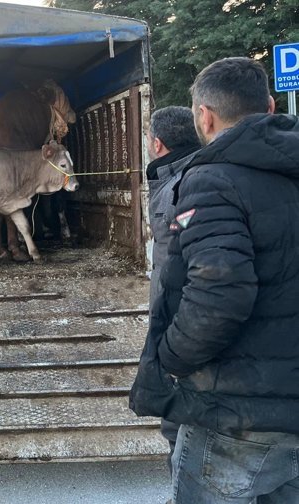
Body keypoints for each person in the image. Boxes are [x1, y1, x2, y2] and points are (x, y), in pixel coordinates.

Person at [130, 57, 299, 503]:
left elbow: (219, 292)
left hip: (236, 412)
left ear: (203, 116)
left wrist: (170, 359)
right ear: (269, 104)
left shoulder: (211, 180)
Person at [144, 105, 201, 463]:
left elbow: (197, 272)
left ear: (156, 143)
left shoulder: (185, 186)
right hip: (181, 321)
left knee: (181, 420)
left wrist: (172, 342)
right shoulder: (174, 179)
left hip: (183, 326)